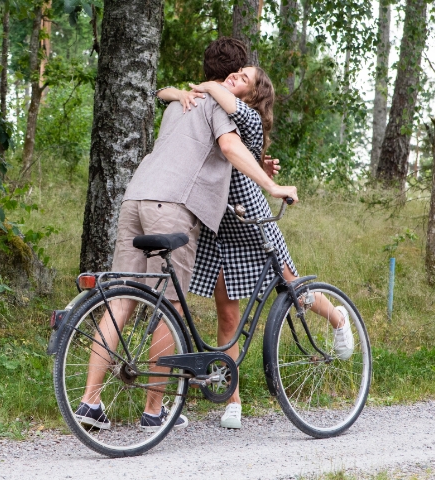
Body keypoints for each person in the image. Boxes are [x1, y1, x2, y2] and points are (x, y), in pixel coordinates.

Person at [74, 38, 299, 432]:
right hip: (172, 206)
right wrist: (273, 186)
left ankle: (89, 402)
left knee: (122, 300)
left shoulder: (182, 100)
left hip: (136, 198)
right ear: (233, 75)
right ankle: (154, 411)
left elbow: (193, 140)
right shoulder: (217, 104)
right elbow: (229, 147)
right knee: (170, 306)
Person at [154, 44, 354, 430]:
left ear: (252, 93)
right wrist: (182, 93)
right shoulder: (219, 109)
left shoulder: (242, 113)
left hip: (254, 220)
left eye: (244, 77)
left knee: (292, 286)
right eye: (237, 72)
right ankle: (232, 399)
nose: (235, 77)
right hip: (221, 223)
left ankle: (338, 318)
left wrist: (202, 86)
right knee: (228, 315)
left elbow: (228, 113)